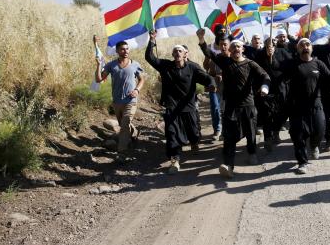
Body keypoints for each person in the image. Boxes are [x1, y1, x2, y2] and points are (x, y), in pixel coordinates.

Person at [198, 30, 270, 178]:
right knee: (229, 136)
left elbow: (265, 76)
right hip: (231, 106)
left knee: (250, 132)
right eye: (233, 47)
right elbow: (209, 53)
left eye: (239, 47)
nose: (236, 49)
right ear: (229, 50)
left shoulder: (250, 64)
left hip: (248, 105)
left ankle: (252, 152)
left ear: (243, 49)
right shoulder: (225, 62)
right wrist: (201, 39)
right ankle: (228, 165)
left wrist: (264, 87)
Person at [145, 31, 215, 174]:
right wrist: (152, 40)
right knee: (171, 133)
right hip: (172, 106)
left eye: (180, 50)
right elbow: (150, 57)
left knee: (194, 132)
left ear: (185, 54)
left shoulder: (192, 67)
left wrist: (212, 84)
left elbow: (206, 78)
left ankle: (194, 142)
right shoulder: (165, 66)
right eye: (175, 51)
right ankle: (175, 160)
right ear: (173, 55)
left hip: (188, 106)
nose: (177, 52)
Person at [267, 37, 330, 174]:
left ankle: (314, 146)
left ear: (311, 48)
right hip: (297, 106)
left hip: (316, 103)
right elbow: (276, 66)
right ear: (297, 48)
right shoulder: (292, 64)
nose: (305, 47)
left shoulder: (318, 63)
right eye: (302, 45)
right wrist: (271, 55)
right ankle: (302, 162)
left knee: (319, 129)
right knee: (298, 134)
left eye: (308, 44)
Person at [95, 39, 145, 158]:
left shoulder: (135, 64)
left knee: (126, 121)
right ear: (117, 51)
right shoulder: (111, 65)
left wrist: (137, 90)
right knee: (123, 124)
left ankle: (122, 151)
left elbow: (142, 79)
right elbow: (99, 79)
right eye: (123, 49)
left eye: (127, 49)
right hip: (117, 101)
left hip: (130, 101)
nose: (126, 51)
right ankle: (134, 133)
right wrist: (98, 66)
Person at [254, 28, 296, 149]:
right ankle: (267, 138)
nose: (271, 43)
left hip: (281, 88)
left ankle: (276, 132)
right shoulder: (259, 54)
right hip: (265, 89)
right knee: (266, 113)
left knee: (282, 113)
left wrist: (274, 59)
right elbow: (256, 71)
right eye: (268, 41)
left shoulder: (283, 52)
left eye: (273, 40)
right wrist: (267, 56)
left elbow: (287, 68)